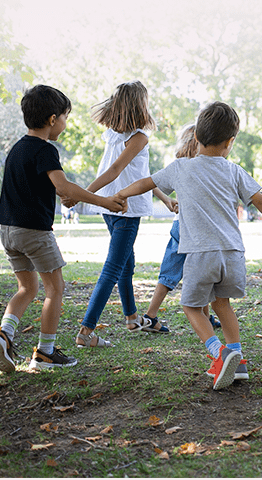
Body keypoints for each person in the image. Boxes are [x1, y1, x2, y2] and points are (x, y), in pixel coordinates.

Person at [114, 101, 262, 390]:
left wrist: (122, 194)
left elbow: (147, 183)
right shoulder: (234, 170)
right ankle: (237, 361)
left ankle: (219, 353)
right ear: (230, 142)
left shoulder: (180, 168)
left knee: (190, 305)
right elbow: (261, 199)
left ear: (196, 138)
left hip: (201, 253)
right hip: (233, 254)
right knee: (222, 305)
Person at [0, 84, 127, 373]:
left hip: (8, 231)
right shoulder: (45, 150)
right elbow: (63, 185)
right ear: (52, 120)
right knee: (55, 289)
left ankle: (4, 334)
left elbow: (37, 187)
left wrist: (64, 194)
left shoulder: (17, 149)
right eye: (65, 117)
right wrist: (104, 201)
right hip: (34, 232)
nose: (64, 123)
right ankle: (45, 353)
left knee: (26, 287)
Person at [70, 80, 176, 350]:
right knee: (114, 268)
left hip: (111, 205)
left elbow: (140, 174)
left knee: (126, 264)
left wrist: (163, 198)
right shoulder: (138, 136)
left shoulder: (113, 135)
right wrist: (81, 193)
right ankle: (86, 331)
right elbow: (116, 170)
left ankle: (131, 318)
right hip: (124, 208)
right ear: (141, 105)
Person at [143, 124, 220, 330]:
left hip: (179, 226)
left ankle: (151, 315)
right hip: (196, 229)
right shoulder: (205, 166)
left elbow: (153, 182)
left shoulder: (179, 165)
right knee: (202, 272)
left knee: (169, 272)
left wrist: (169, 200)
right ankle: (206, 317)